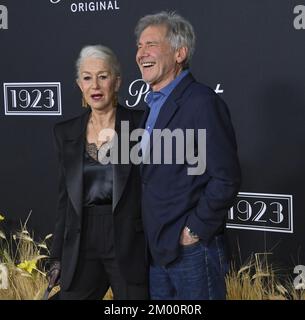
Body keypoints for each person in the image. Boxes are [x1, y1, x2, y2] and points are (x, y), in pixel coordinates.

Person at [135, 12, 241, 299]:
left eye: (151, 45)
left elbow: (226, 177)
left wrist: (193, 231)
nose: (141, 53)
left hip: (193, 251)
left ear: (180, 53)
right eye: (139, 46)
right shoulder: (151, 105)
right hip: (157, 252)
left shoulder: (202, 102)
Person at [47, 45, 148, 300]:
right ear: (79, 84)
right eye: (87, 77)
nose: (95, 85)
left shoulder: (141, 124)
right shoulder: (65, 132)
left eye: (103, 76)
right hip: (82, 240)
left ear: (117, 82)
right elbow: (64, 202)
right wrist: (57, 256)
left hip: (127, 239)